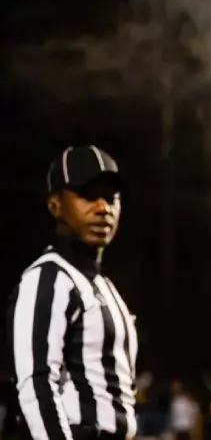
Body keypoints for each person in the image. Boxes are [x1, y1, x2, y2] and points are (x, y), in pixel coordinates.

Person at [6, 146, 138, 440]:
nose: (103, 207)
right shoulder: (49, 277)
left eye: (112, 197)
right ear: (54, 205)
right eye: (89, 195)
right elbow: (36, 384)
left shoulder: (102, 285)